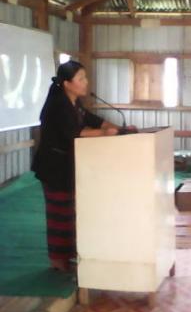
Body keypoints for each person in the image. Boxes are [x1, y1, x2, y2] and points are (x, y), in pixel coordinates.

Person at [32, 61, 128, 272]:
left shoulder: (73, 102)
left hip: (67, 167)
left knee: (70, 211)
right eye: (81, 78)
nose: (86, 82)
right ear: (67, 83)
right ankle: (58, 261)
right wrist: (105, 134)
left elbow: (90, 119)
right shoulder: (58, 104)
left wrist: (113, 127)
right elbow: (73, 134)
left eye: (86, 77)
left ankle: (70, 255)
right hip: (54, 168)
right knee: (59, 213)